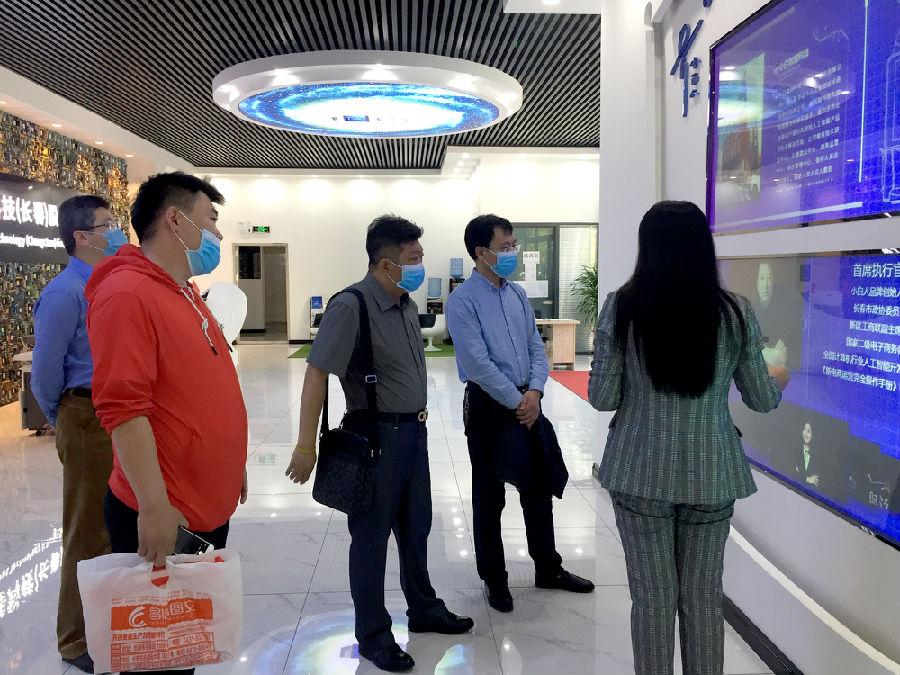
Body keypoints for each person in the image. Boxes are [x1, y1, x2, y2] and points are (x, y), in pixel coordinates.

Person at [588, 201, 782, 675]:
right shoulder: (736, 313)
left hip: (639, 471)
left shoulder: (621, 307)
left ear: (647, 248)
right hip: (711, 472)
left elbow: (602, 396)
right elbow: (762, 399)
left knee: (652, 600)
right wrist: (778, 376)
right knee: (703, 598)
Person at [285, 214, 473, 673]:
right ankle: (372, 634)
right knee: (370, 539)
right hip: (375, 438)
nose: (420, 265)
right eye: (413, 258)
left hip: (414, 435)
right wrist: (306, 445)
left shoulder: (405, 303)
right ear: (386, 264)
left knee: (417, 527)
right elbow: (316, 374)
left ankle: (424, 608)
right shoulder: (351, 305)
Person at [85, 172, 248, 675]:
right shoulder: (129, 293)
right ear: (175, 221)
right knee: (158, 656)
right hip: (165, 512)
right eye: (211, 221)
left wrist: (231, 462)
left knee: (184, 649)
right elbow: (124, 409)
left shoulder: (185, 292)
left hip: (202, 506)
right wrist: (154, 504)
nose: (217, 234)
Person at [445, 214, 594, 614]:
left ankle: (548, 567)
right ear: (481, 252)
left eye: (513, 245)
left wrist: (535, 391)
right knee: (489, 496)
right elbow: (476, 364)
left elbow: (535, 347)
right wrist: (518, 401)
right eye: (505, 247)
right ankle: (495, 579)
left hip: (528, 401)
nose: (512, 252)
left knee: (538, 487)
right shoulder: (463, 300)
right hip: (489, 406)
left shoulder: (517, 295)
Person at [31, 194, 128, 674]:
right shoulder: (65, 292)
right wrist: (66, 415)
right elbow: (45, 372)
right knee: (87, 529)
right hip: (86, 412)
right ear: (82, 237)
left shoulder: (111, 283)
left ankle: (112, 625)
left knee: (116, 525)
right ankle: (74, 641)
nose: (117, 231)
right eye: (107, 225)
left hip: (117, 413)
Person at [752, 262, 803, 370]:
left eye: (769, 278)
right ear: (756, 282)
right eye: (761, 278)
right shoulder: (749, 310)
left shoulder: (786, 311)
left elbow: (787, 353)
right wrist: (767, 354)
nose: (765, 285)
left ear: (773, 282)